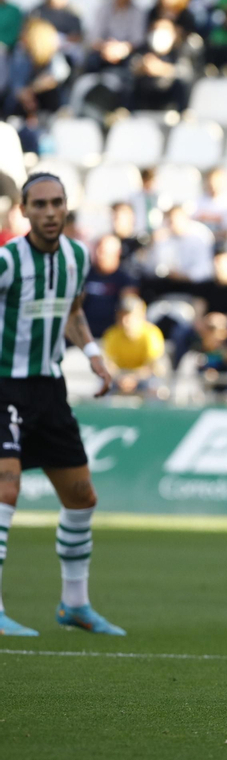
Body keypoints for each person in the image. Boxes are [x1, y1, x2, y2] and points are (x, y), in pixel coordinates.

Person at [0, 174, 121, 638]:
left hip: (48, 390)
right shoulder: (9, 261)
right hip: (4, 387)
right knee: (5, 491)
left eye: (57, 203)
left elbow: (70, 310)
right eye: (40, 204)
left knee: (81, 497)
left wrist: (93, 355)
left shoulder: (76, 256)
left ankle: (74, 606)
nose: (50, 212)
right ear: (24, 211)